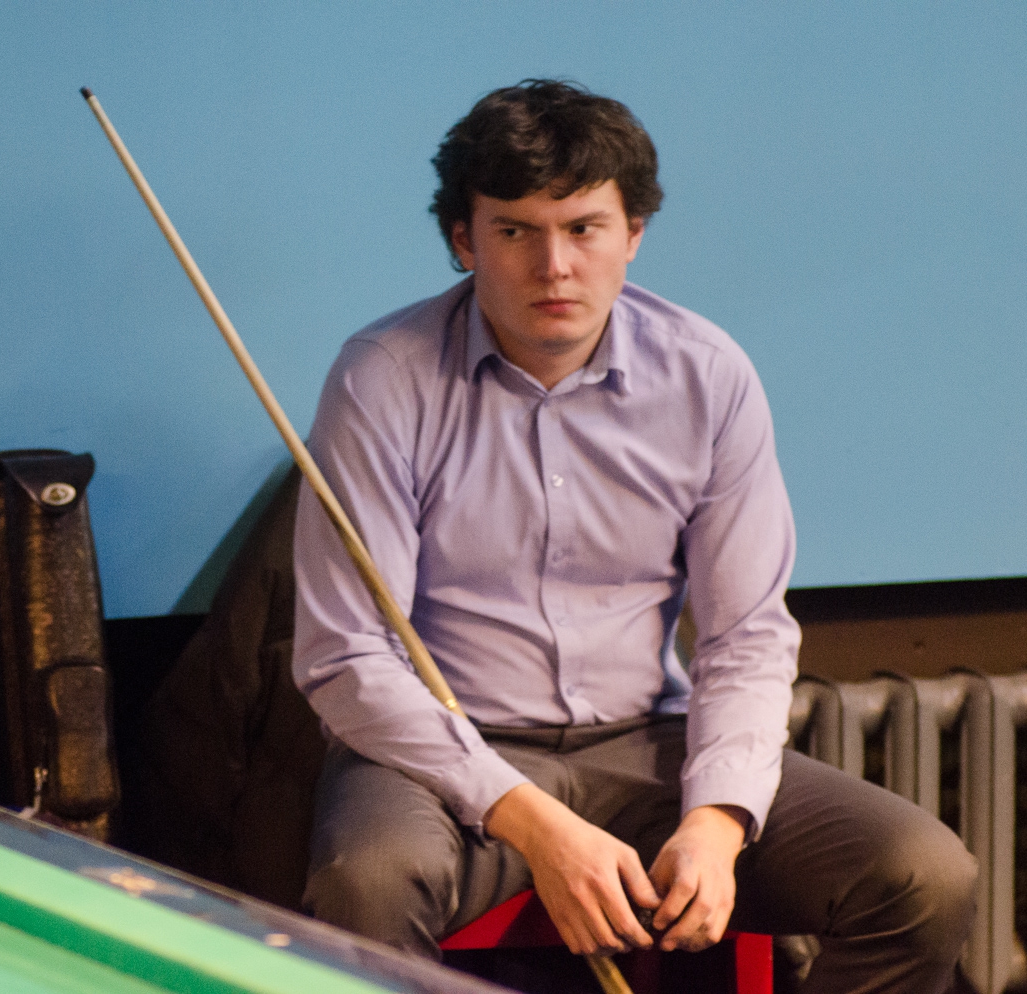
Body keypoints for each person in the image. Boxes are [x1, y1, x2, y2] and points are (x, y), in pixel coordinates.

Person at [291, 79, 977, 994]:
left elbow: (746, 635)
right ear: (463, 240)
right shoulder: (381, 377)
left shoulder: (709, 375)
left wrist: (718, 821)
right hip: (448, 752)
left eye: (584, 228)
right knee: (366, 881)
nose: (555, 266)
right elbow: (346, 656)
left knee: (925, 876)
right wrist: (531, 821)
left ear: (634, 235)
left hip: (649, 745)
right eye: (515, 231)